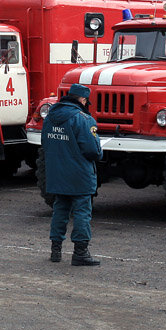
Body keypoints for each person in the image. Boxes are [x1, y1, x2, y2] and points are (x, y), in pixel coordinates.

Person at [42, 83, 104, 266]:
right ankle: (80, 253)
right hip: (80, 175)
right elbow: (93, 151)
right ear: (83, 100)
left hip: (57, 173)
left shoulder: (50, 117)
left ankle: (55, 251)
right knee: (82, 212)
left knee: (60, 209)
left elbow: (46, 144)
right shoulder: (84, 119)